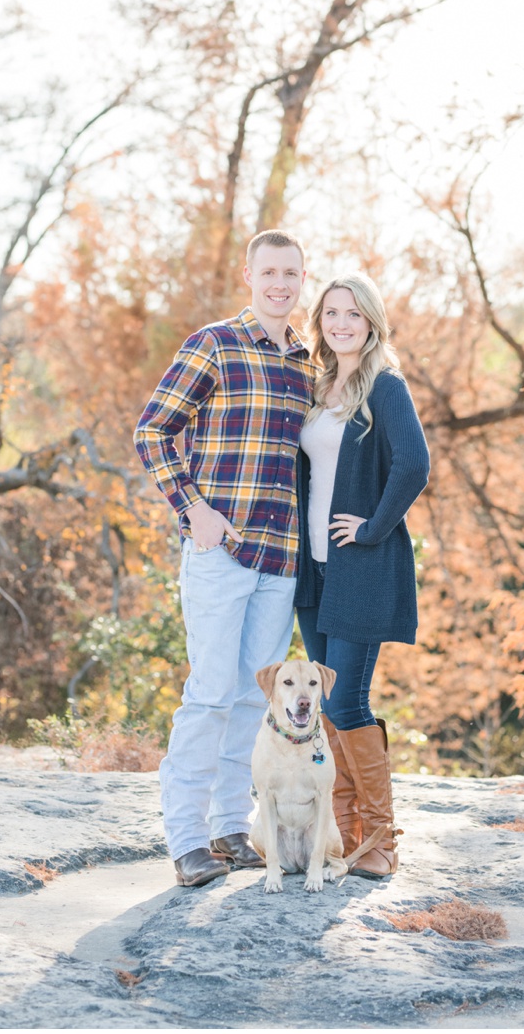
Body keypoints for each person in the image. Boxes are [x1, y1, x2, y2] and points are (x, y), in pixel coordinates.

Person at [133, 230, 315, 887]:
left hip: (281, 560)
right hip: (221, 552)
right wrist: (192, 509)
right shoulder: (215, 343)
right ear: (248, 274)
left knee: (250, 699)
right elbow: (152, 428)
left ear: (302, 279)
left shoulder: (307, 362)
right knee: (209, 695)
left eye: (290, 273)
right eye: (268, 271)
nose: (279, 283)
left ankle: (230, 829)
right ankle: (186, 840)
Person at [295, 272, 430, 879]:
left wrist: (373, 527)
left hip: (361, 566)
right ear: (320, 323)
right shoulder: (321, 386)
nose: (341, 323)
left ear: (371, 321)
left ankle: (379, 840)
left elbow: (414, 465)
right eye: (330, 314)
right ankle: (346, 834)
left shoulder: (385, 387)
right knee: (326, 699)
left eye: (352, 313)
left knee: (346, 695)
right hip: (315, 568)